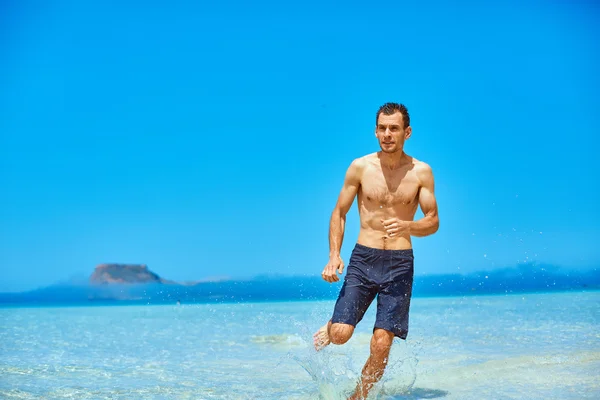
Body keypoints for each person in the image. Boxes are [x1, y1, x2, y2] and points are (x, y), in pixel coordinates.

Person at [313, 102, 440, 400]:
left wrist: (408, 227)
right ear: (375, 131)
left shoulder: (421, 172)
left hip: (399, 264)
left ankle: (358, 396)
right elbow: (339, 213)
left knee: (381, 343)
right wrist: (334, 255)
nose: (387, 134)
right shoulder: (360, 167)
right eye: (382, 128)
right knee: (342, 335)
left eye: (394, 128)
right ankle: (334, 325)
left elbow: (433, 221)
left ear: (406, 132)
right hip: (363, 259)